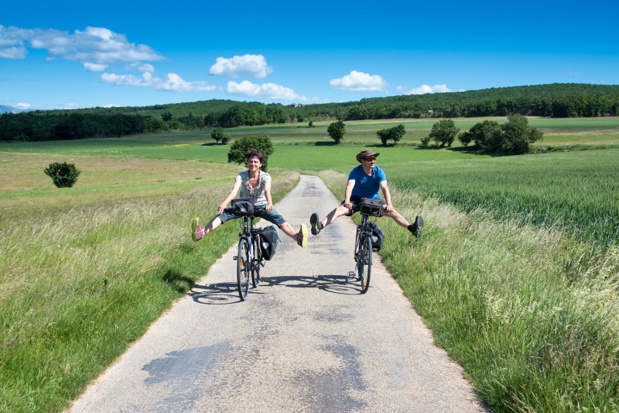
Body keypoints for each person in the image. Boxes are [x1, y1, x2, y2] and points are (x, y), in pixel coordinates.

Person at [192, 150, 307, 247]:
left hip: (261, 206)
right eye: (250, 161)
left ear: (260, 164)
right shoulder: (241, 175)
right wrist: (224, 203)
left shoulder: (265, 177)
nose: (253, 164)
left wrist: (269, 203)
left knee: (278, 219)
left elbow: (267, 190)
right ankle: (201, 232)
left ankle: (297, 238)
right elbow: (233, 192)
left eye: (256, 162)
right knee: (222, 215)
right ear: (247, 163)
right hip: (244, 206)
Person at [309, 149, 423, 238]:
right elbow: (349, 186)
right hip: (356, 199)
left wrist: (389, 203)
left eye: (374, 158)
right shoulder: (356, 171)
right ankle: (320, 225)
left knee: (391, 211)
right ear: (362, 161)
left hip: (374, 200)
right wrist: (347, 201)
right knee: (340, 210)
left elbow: (384, 188)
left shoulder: (379, 172)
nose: (373, 161)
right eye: (369, 159)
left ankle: (412, 228)